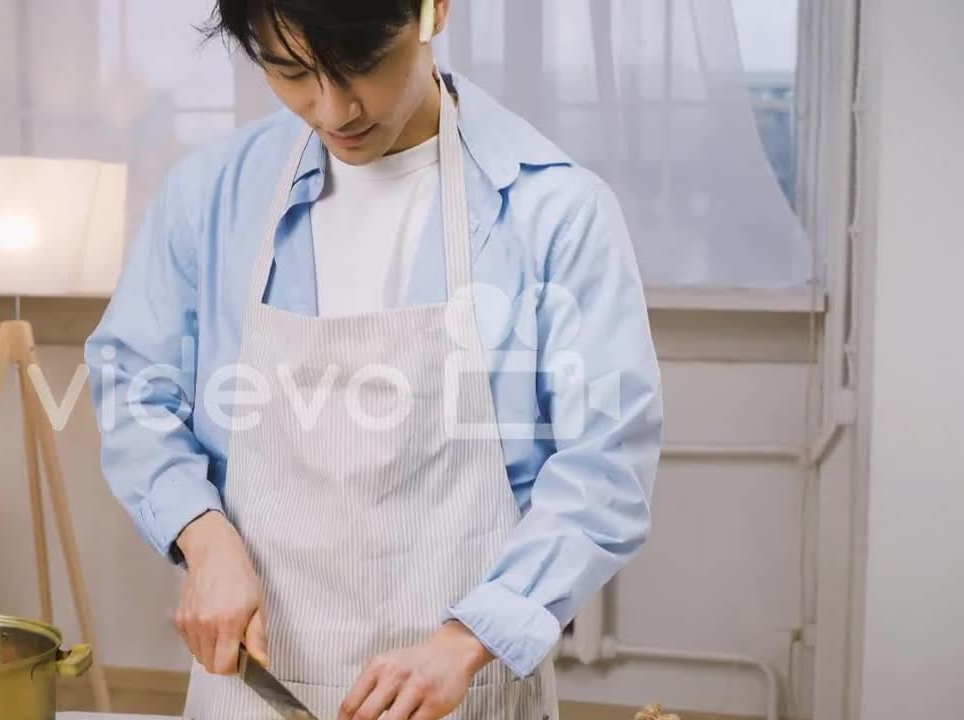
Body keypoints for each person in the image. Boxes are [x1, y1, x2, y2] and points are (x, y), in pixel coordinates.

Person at [85, 1, 663, 718]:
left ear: (434, 12)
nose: (331, 109)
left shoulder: (554, 210)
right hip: (253, 691)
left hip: (460, 691)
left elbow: (604, 466)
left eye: (361, 65)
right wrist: (203, 539)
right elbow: (133, 385)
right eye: (291, 71)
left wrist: (467, 639)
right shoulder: (210, 197)